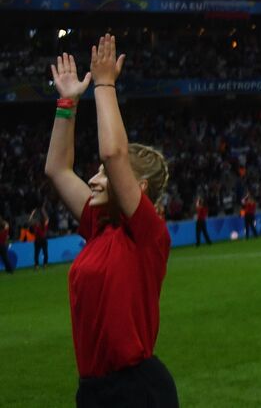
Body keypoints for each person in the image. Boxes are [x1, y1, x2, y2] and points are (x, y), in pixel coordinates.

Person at [42, 36, 179, 406]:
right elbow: (56, 169)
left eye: (104, 174)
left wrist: (104, 85)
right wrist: (67, 102)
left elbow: (114, 152)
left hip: (136, 391)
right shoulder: (98, 225)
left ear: (139, 186)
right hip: (94, 390)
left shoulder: (148, 234)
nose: (95, 179)